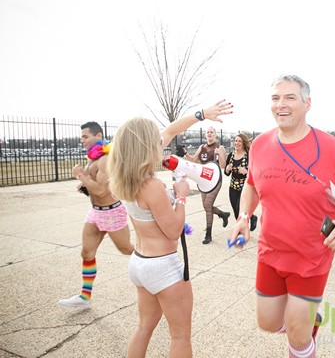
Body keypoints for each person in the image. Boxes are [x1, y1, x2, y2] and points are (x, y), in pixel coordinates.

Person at [229, 75, 335, 358]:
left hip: (312, 257)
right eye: (275, 98)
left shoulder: (332, 149)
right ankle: (309, 319)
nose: (281, 104)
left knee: (297, 336)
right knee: (268, 323)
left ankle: (304, 334)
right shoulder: (259, 145)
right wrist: (244, 216)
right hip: (270, 252)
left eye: (290, 98)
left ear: (307, 104)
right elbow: (252, 185)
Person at [107, 101, 233, 357]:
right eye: (155, 141)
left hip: (141, 263)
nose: (161, 142)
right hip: (163, 266)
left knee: (144, 327)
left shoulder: (128, 178)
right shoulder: (150, 185)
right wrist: (183, 196)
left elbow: (171, 130)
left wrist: (201, 115)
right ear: (144, 147)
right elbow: (174, 230)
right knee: (180, 336)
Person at [58, 121, 134, 308]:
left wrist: (80, 176)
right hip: (95, 213)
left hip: (112, 213)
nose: (81, 139)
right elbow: (95, 187)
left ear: (98, 136)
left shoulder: (105, 159)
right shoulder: (93, 157)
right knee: (86, 252)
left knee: (127, 250)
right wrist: (85, 185)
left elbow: (101, 190)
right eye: (81, 136)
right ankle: (85, 296)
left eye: (85, 136)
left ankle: (157, 264)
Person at [185, 126, 230, 244]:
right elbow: (194, 161)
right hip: (203, 179)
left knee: (208, 204)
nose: (209, 134)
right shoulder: (202, 147)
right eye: (208, 132)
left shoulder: (220, 147)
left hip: (215, 180)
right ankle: (223, 214)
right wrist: (185, 153)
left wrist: (219, 154)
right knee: (206, 207)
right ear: (206, 135)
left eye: (212, 132)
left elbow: (223, 166)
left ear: (215, 135)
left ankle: (208, 234)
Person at [224, 133, 258, 231]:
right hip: (233, 186)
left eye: (239, 141)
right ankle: (252, 217)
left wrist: (247, 171)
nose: (237, 143)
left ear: (243, 143)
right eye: (236, 141)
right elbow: (226, 173)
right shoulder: (231, 155)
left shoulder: (249, 156)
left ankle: (242, 229)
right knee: (235, 209)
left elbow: (256, 171)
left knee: (240, 209)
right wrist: (227, 169)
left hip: (245, 187)